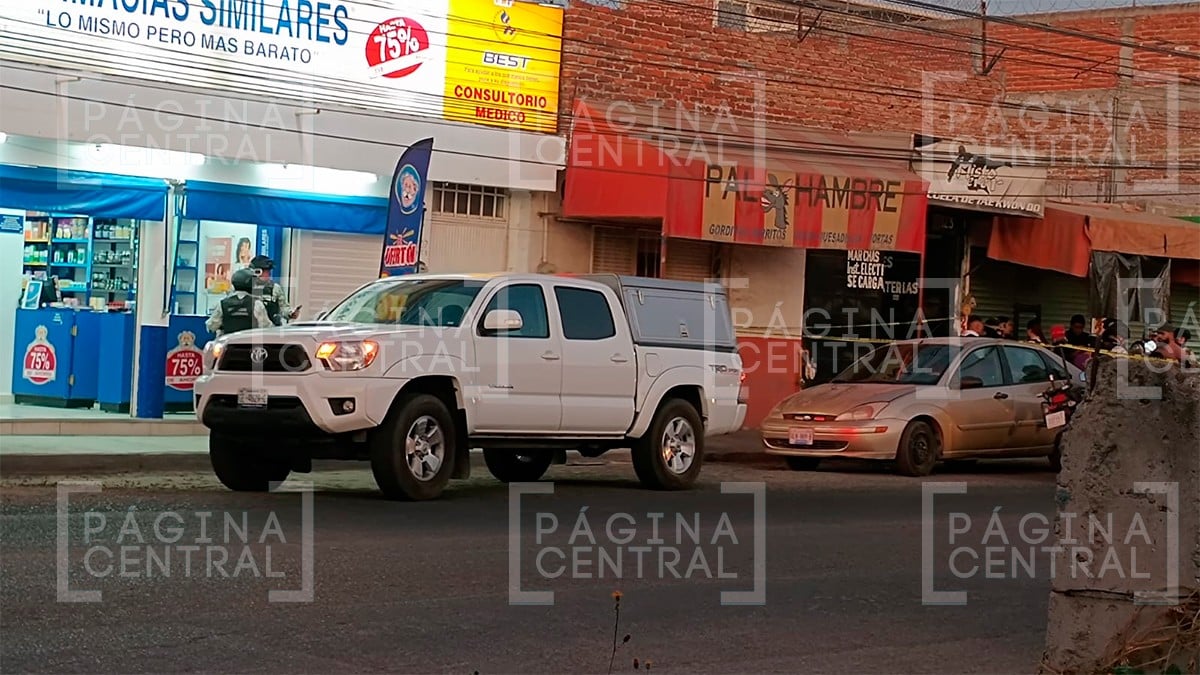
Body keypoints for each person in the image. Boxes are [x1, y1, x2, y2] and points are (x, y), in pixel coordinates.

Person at [206, 268, 273, 337]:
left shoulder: (223, 303)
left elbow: (211, 327)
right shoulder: (257, 304)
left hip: (228, 341)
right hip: (249, 341)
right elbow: (266, 327)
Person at [249, 255, 297, 326]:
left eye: (269, 271)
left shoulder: (275, 288)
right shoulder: (247, 286)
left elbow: (283, 307)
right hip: (250, 327)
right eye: (266, 271)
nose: (269, 274)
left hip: (271, 328)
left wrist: (291, 313)